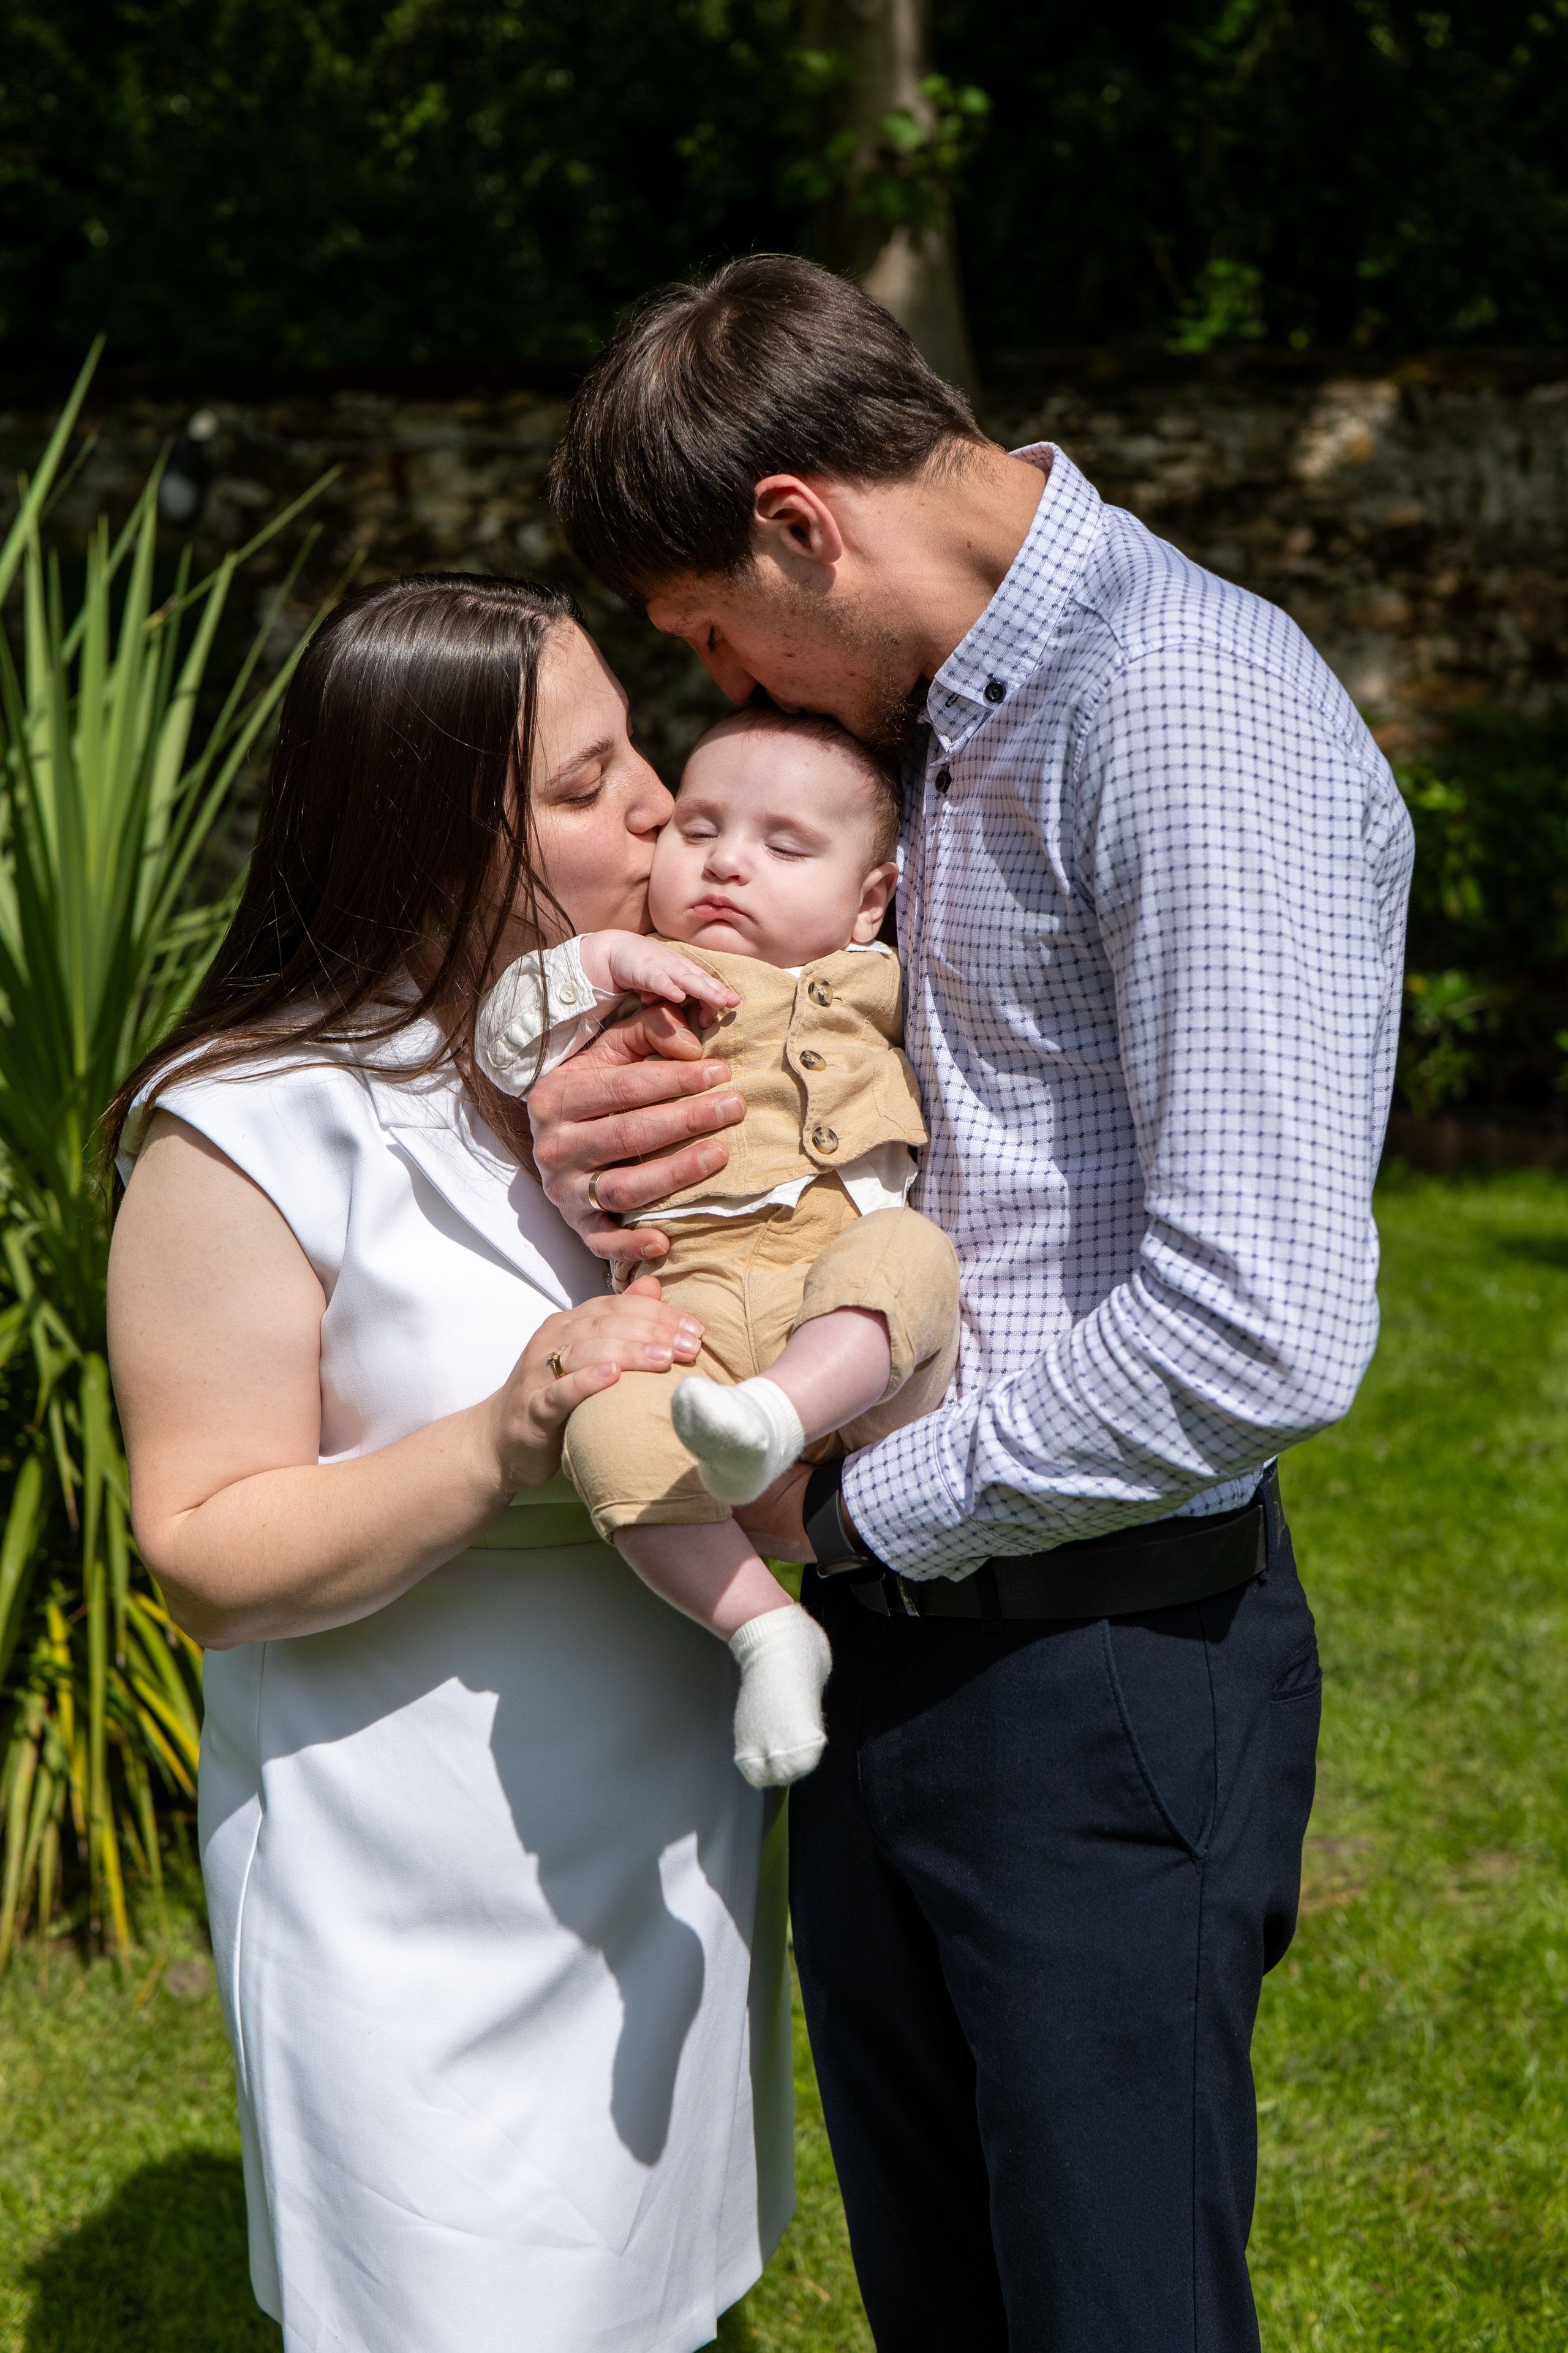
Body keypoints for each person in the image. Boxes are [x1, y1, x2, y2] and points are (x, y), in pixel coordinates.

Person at [527, 255, 1416, 2351]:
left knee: (1108, 2309)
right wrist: (610, 1121)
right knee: (949, 2307)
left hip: (1092, 1660)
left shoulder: (1180, 706)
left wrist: (846, 1514)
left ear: (800, 525)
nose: (720, 687)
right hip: (891, 1644)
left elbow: (1262, 1323)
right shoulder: (931, 718)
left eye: (709, 630)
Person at [104, 574, 793, 2353]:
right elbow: (202, 1551)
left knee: (659, 2303)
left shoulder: (634, 1057)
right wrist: (499, 1436)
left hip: (662, 1852)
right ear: (421, 838)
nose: (656, 803)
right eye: (582, 785)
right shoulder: (248, 1127)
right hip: (409, 1894)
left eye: (633, 747)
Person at [474, 704, 960, 1787]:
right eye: (697, 830)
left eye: (785, 846)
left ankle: (779, 1414)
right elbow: (504, 1044)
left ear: (870, 899)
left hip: (851, 1334)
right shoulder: (643, 978)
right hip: (686, 1323)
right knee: (606, 1427)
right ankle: (767, 1632)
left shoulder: (891, 978)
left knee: (910, 1255)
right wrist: (593, 960)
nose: (728, 863)